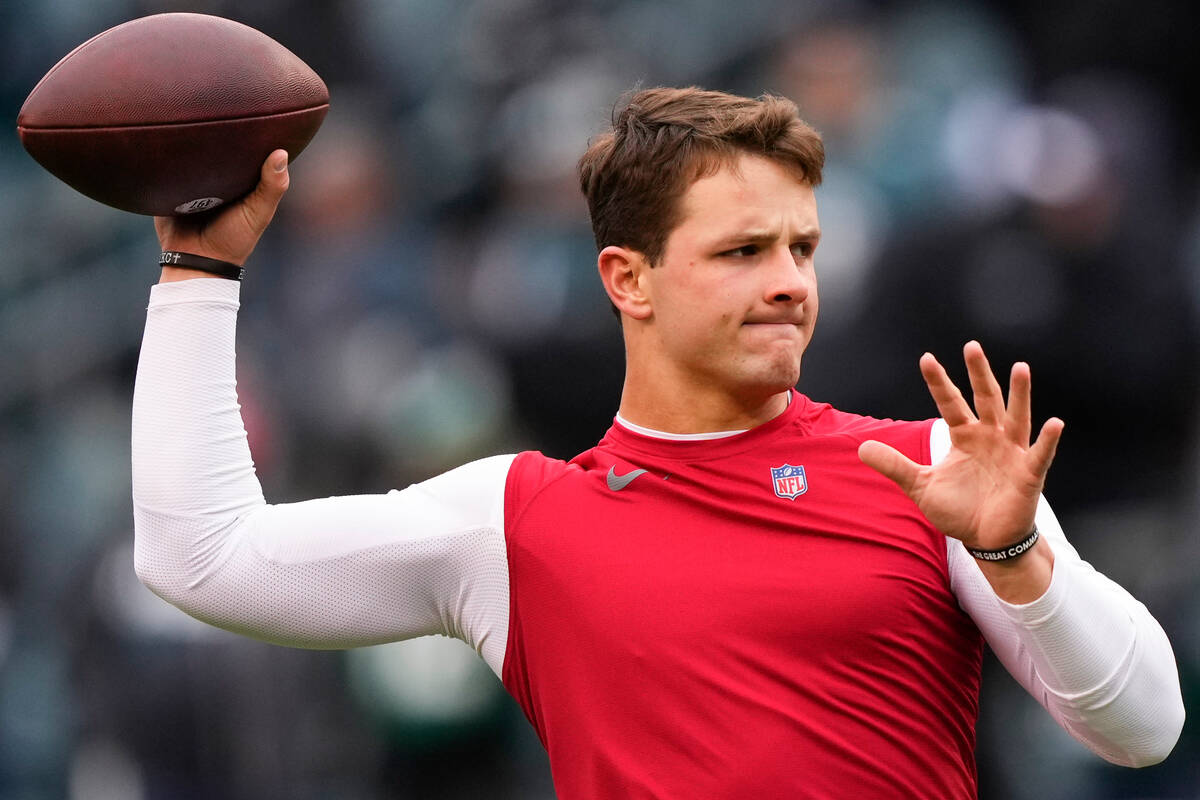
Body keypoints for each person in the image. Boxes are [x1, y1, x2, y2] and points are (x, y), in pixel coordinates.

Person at [133, 87, 1184, 798]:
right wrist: (198, 274)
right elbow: (203, 555)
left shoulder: (931, 467)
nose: (790, 281)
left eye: (801, 246)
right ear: (627, 279)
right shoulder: (518, 519)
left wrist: (1020, 560)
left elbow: (1146, 728)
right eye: (742, 250)